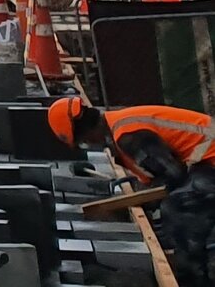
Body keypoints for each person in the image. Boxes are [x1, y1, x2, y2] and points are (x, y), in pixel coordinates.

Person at [50, 98, 215, 286]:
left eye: (84, 142)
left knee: (178, 207)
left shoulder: (128, 136)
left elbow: (174, 175)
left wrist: (149, 198)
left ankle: (194, 278)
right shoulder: (118, 125)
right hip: (205, 160)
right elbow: (160, 175)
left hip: (210, 160)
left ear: (86, 132)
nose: (89, 144)